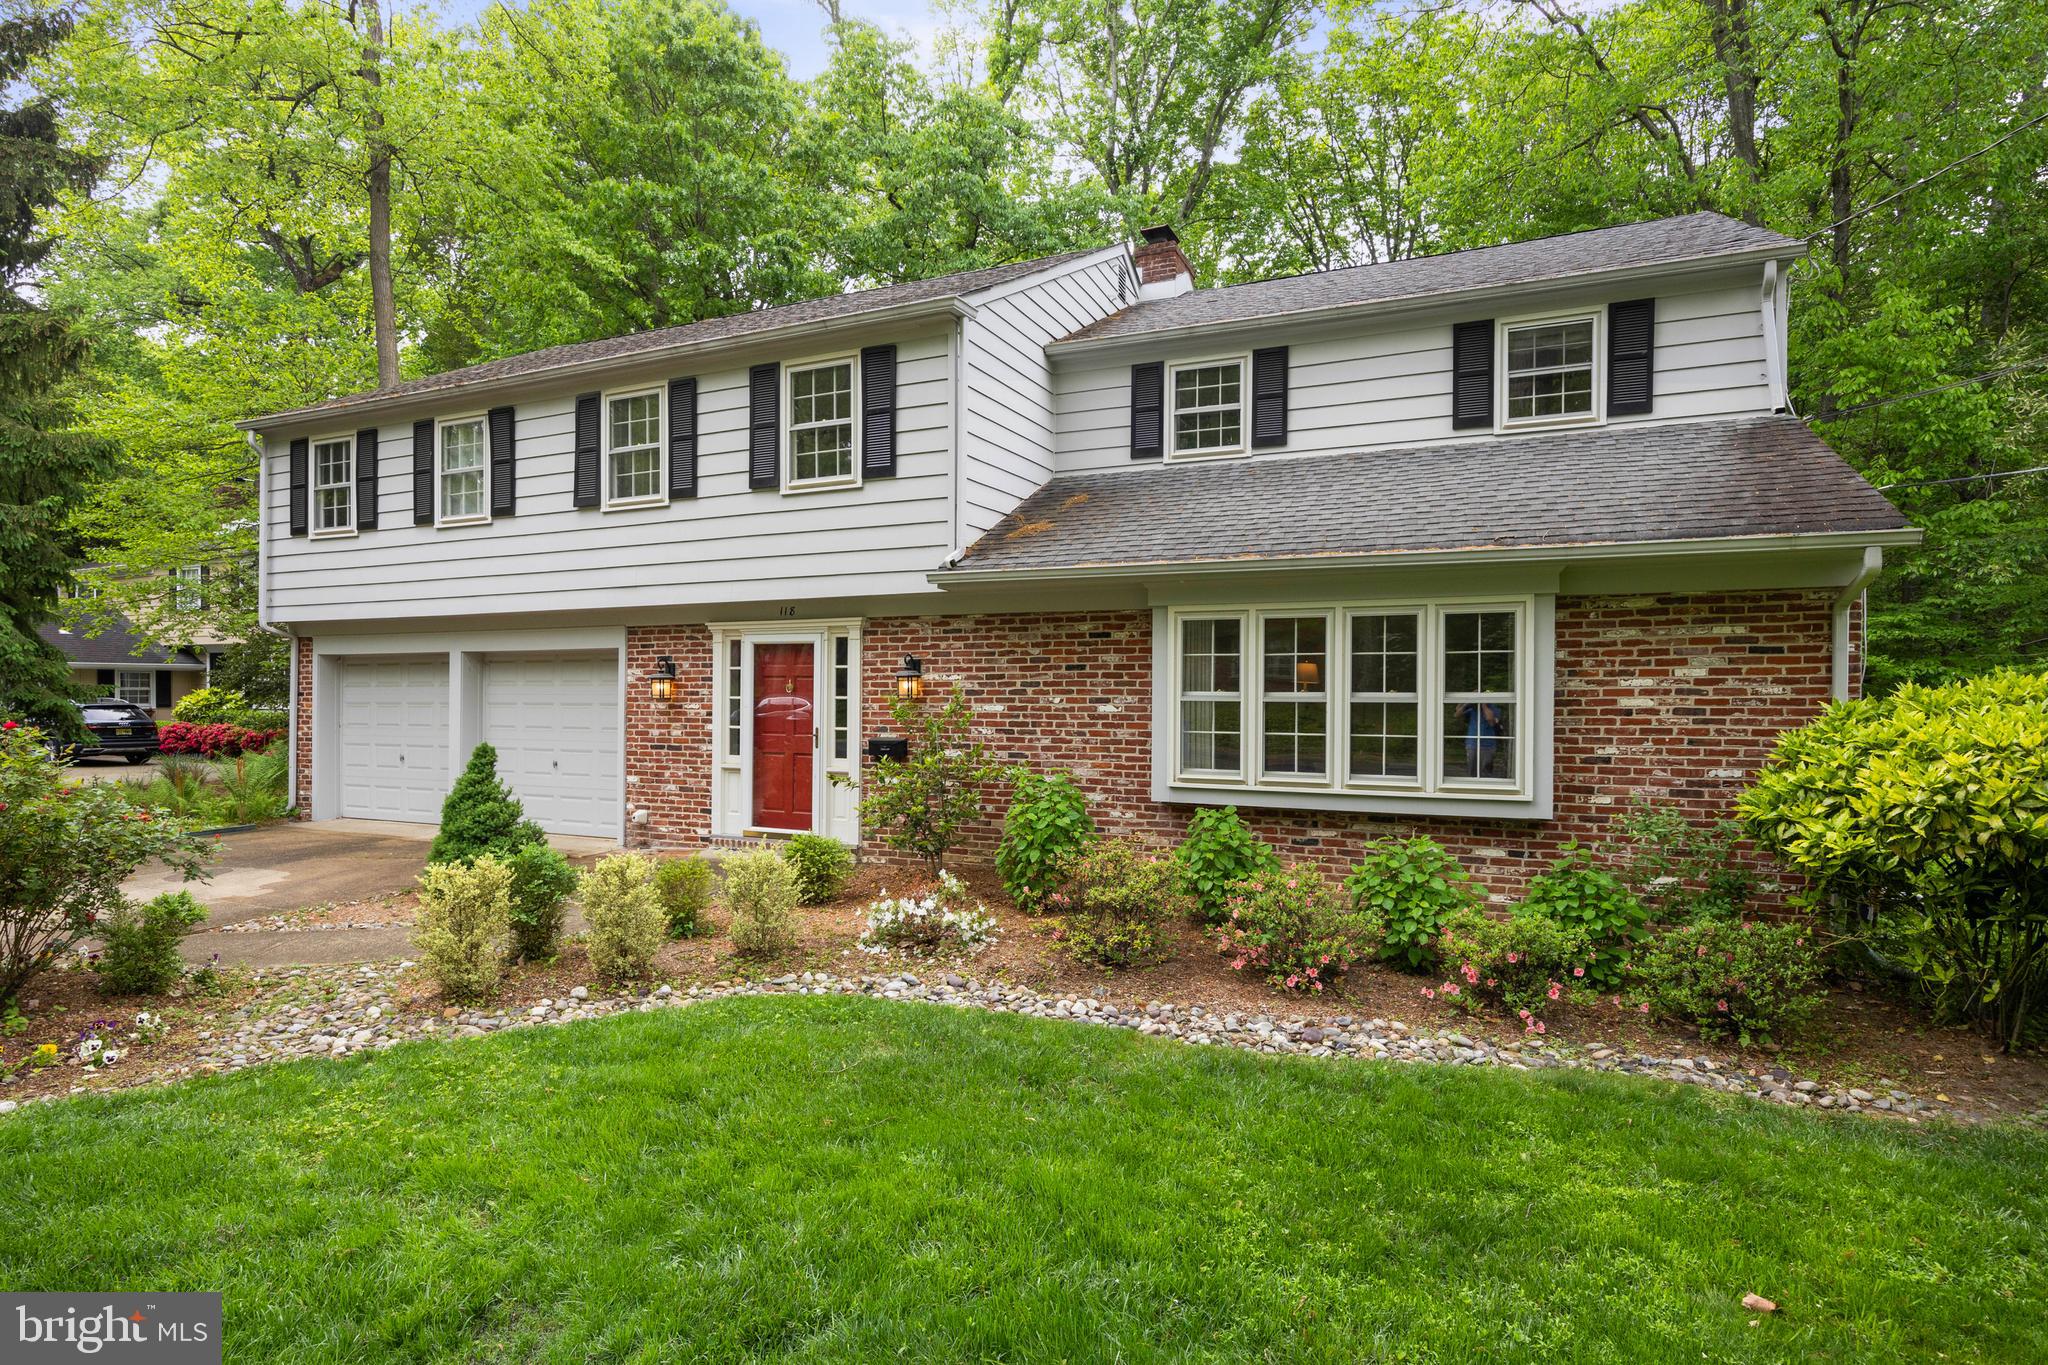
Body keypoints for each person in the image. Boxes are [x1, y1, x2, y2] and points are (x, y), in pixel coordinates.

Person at [1454, 701, 1505, 778]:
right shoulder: (1472, 710)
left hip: (1488, 745)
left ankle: (1486, 788)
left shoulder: (1494, 708)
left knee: (1486, 772)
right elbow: (1457, 714)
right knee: (1472, 771)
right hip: (1472, 743)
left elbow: (1490, 719)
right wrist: (1466, 701)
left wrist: (1483, 705)